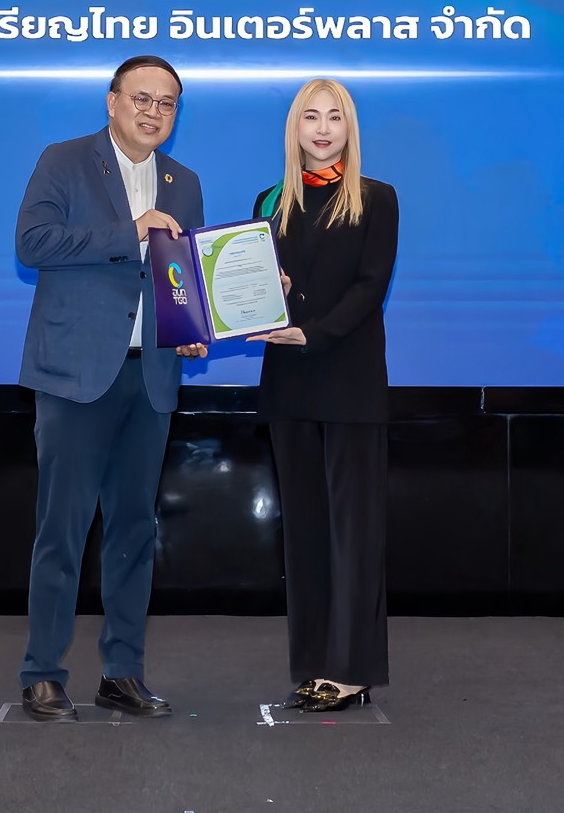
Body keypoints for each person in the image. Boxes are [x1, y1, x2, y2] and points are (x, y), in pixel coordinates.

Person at [15, 55, 206, 722]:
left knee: (133, 531)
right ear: (112, 101)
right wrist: (129, 233)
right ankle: (42, 672)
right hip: (75, 375)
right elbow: (32, 242)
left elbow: (181, 277)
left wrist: (191, 326)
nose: (154, 112)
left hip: (150, 376)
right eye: (142, 98)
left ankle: (122, 673)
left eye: (167, 103)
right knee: (61, 530)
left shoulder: (184, 182)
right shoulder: (64, 160)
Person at [248, 78, 399, 713]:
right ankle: (313, 664)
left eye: (334, 117)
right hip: (288, 383)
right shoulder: (269, 200)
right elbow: (254, 288)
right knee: (306, 533)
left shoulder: (376, 197)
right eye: (310, 117)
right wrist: (268, 295)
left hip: (349, 381)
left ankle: (352, 670)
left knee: (354, 532)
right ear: (295, 127)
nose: (322, 128)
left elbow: (370, 288)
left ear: (349, 128)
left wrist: (312, 331)